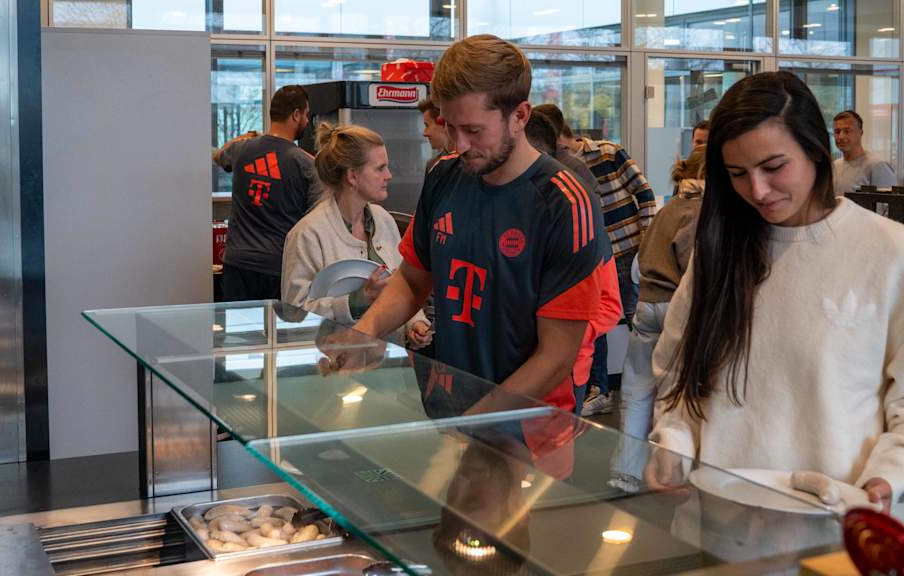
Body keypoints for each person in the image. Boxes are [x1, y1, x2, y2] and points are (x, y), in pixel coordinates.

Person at [646, 71, 904, 514]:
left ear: (816, 150)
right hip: (719, 516)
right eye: (737, 174)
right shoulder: (719, 250)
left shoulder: (888, 251)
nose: (757, 191)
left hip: (835, 523)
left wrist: (889, 475)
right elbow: (678, 373)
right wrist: (672, 443)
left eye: (772, 167)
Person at [322, 34, 616, 414]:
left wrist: (477, 422)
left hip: (532, 425)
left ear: (520, 116)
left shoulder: (564, 203)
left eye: (474, 131)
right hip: (451, 401)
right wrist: (363, 335)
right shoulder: (444, 176)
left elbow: (557, 355)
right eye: (450, 126)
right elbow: (413, 279)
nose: (458, 145)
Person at [543, 105, 656, 416]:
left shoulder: (608, 153)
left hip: (629, 252)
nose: (561, 156)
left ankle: (649, 391)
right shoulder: (559, 166)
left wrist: (646, 244)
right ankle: (601, 390)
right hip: (599, 257)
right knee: (597, 324)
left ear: (566, 137)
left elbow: (645, 194)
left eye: (563, 149)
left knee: (637, 321)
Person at [281, 124, 431, 347]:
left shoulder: (384, 221)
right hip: (335, 365)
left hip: (390, 364)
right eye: (380, 168)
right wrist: (357, 301)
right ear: (352, 176)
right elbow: (295, 315)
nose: (389, 176)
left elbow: (404, 282)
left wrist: (415, 323)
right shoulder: (307, 235)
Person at [610, 145, 705, 489]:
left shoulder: (670, 207)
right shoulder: (700, 211)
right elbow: (694, 266)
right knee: (675, 394)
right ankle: (672, 472)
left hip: (647, 303)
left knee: (635, 392)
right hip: (676, 305)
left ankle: (626, 472)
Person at [213, 85, 316, 301]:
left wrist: (249, 136)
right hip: (278, 267)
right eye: (306, 114)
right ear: (295, 114)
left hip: (237, 263)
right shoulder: (305, 163)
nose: (307, 121)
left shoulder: (242, 149)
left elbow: (219, 155)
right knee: (276, 333)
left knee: (242, 332)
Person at [832, 110, 896, 196]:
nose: (841, 136)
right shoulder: (835, 166)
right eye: (837, 132)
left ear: (860, 132)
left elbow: (885, 207)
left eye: (847, 131)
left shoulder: (877, 166)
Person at [419, 98, 453, 172]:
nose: (425, 133)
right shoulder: (432, 165)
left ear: (444, 124)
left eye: (427, 125)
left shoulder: (470, 164)